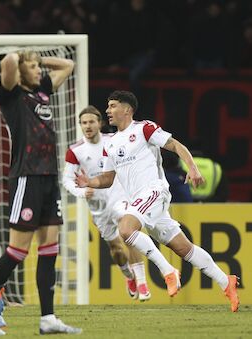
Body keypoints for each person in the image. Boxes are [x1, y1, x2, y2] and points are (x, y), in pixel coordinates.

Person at [75, 90, 239, 312]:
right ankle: (224, 281)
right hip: (142, 202)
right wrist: (89, 182)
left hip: (154, 190)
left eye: (113, 106)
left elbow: (175, 145)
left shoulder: (144, 128)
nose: (108, 111)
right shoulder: (110, 143)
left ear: (127, 109)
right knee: (183, 248)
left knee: (125, 228)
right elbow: (108, 178)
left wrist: (192, 167)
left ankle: (168, 271)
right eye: (108, 106)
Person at [0, 50, 81, 336]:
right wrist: (19, 58)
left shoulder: (42, 92)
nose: (38, 71)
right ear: (20, 72)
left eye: (37, 66)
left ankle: (48, 318)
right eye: (31, 67)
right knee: (18, 250)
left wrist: (38, 61)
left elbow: (68, 65)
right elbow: (7, 61)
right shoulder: (11, 96)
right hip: (26, 178)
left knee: (50, 249)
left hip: (49, 179)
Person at [63, 105, 151, 301]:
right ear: (80, 125)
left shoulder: (112, 141)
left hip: (119, 197)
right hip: (98, 207)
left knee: (129, 236)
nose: (88, 126)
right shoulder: (75, 151)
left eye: (91, 122)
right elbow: (67, 179)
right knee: (116, 250)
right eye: (84, 123)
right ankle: (129, 276)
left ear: (100, 123)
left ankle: (143, 284)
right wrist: (80, 191)